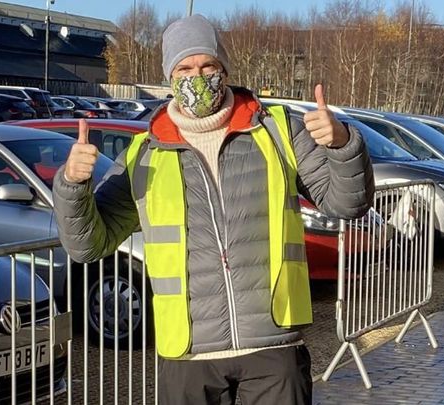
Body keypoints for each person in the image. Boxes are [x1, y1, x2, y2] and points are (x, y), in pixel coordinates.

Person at [53, 14, 374, 405]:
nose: (197, 76)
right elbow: (88, 246)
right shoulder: (145, 154)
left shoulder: (277, 131)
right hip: (188, 353)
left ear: (224, 68)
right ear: (171, 77)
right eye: (185, 67)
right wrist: (72, 185)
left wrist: (342, 145)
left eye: (208, 65)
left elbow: (347, 203)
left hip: (272, 344)